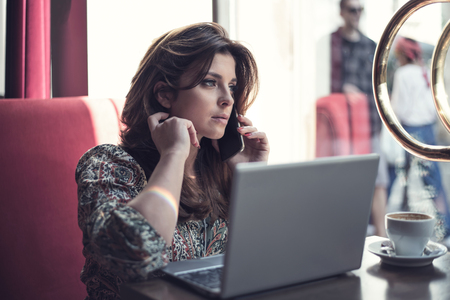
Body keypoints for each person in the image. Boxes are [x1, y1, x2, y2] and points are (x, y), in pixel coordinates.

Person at [76, 22, 270, 299]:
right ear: (165, 95)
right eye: (210, 82)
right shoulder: (107, 164)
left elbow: (264, 261)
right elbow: (137, 253)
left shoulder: (217, 169)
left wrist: (250, 179)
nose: (228, 99)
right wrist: (174, 154)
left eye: (232, 86)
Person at [330, 0, 388, 237]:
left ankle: (383, 238)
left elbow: (379, 88)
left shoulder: (371, 46)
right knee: (342, 184)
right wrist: (342, 88)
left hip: (368, 126)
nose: (357, 15)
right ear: (342, 12)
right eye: (352, 9)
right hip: (339, 128)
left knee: (378, 180)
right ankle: (345, 238)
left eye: (360, 9)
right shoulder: (330, 44)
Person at [389, 36, 450, 241]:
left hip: (410, 130)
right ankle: (445, 223)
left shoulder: (403, 74)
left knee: (398, 174)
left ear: (402, 55)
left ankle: (389, 220)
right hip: (428, 129)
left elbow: (398, 108)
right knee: (432, 179)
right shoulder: (424, 72)